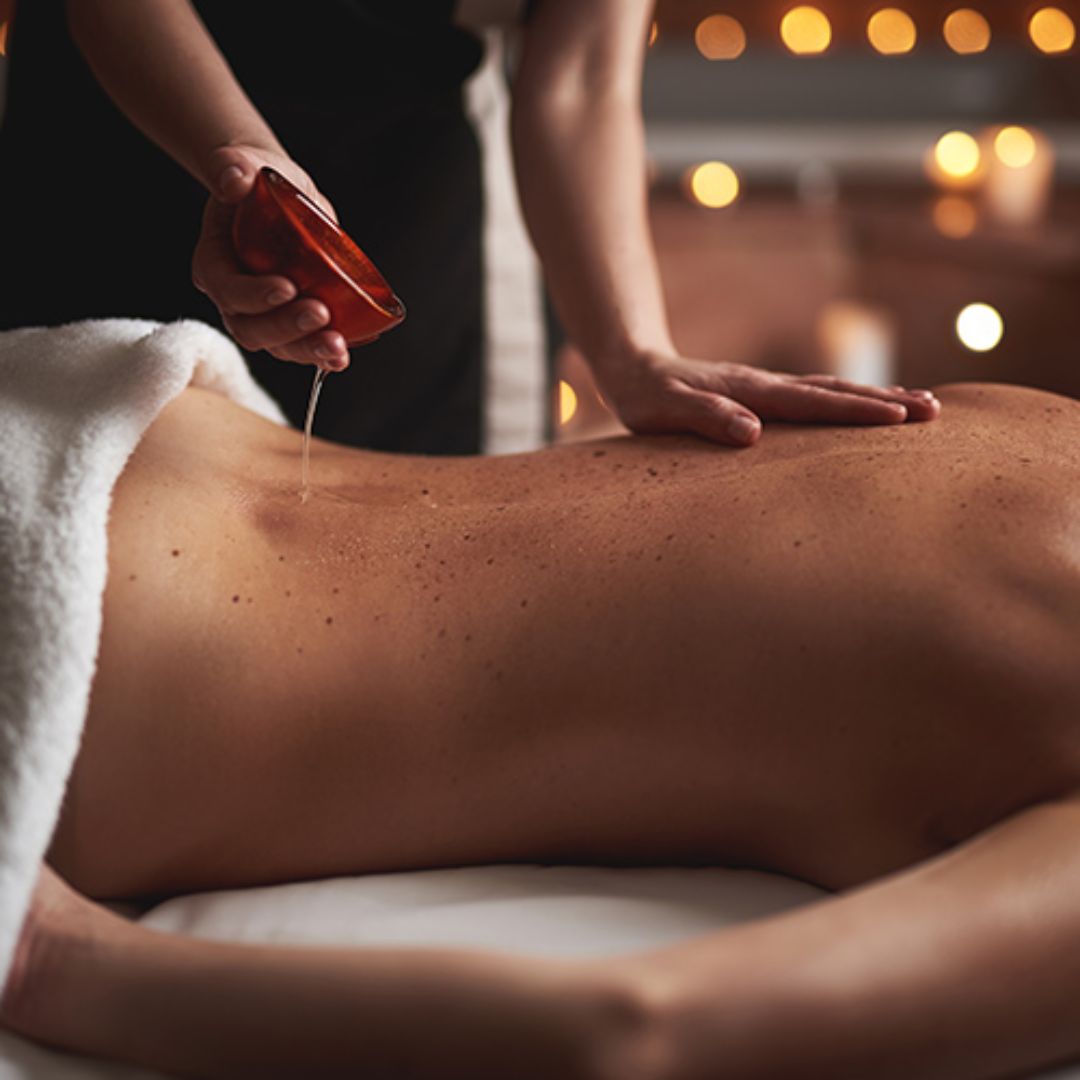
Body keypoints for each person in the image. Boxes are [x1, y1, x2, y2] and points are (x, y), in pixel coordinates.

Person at [3, 375, 1080, 1078]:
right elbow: (633, 1032)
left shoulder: (1044, 417)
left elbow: (635, 1032)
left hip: (102, 425)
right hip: (112, 625)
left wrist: (53, 956)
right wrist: (57, 966)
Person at [0, 0, 939, 453]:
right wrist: (239, 157)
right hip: (117, 148)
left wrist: (634, 353)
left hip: (414, 216)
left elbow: (582, 79)